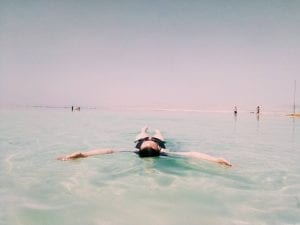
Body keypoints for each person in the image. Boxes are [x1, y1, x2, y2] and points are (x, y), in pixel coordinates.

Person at [57, 126, 232, 167]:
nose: (150, 141)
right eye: (151, 143)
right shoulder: (162, 148)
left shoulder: (139, 146)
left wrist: (84, 154)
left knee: (139, 134)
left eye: (149, 142)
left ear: (141, 148)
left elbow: (108, 150)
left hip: (140, 141)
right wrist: (216, 160)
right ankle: (156, 130)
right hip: (160, 140)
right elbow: (192, 154)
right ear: (158, 148)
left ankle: (143, 129)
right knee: (160, 134)